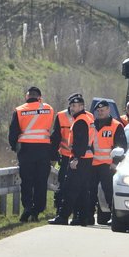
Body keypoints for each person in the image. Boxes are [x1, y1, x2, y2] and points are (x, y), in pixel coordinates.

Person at [8, 86, 55, 222]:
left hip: (26, 151)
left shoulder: (19, 110)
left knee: (27, 181)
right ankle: (37, 210)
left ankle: (27, 207)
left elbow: (13, 133)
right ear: (40, 97)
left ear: (26, 97)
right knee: (41, 181)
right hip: (44, 150)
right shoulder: (49, 109)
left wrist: (14, 147)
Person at [51, 94, 96, 226]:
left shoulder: (80, 120)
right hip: (87, 158)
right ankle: (84, 218)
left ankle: (63, 216)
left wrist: (75, 158)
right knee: (83, 190)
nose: (72, 108)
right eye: (71, 105)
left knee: (70, 188)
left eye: (76, 106)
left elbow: (80, 142)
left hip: (80, 159)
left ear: (82, 106)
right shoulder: (87, 118)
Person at [89, 101, 126, 225]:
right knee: (90, 191)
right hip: (92, 164)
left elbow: (121, 147)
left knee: (109, 191)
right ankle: (88, 216)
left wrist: (115, 163)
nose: (100, 112)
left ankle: (113, 215)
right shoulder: (92, 125)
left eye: (103, 110)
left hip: (108, 165)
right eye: (98, 111)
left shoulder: (116, 125)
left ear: (108, 110)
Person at [49, 97, 77, 217]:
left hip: (81, 158)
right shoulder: (61, 116)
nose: (75, 108)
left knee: (79, 185)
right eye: (73, 105)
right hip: (65, 157)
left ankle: (77, 212)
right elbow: (55, 137)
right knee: (63, 183)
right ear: (69, 105)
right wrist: (53, 156)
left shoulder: (88, 117)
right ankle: (60, 210)